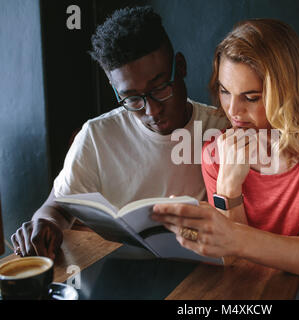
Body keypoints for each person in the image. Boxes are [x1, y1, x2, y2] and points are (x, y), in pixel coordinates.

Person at [151, 19, 299, 299]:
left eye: (251, 98)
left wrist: (236, 238)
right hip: (255, 289)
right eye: (225, 91)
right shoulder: (215, 155)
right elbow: (230, 259)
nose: (233, 110)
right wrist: (228, 188)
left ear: (286, 94)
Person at [11, 6, 228, 260]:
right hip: (124, 271)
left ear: (180, 67)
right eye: (132, 98)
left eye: (159, 88)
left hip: (199, 273)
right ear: (116, 91)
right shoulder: (97, 136)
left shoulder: (220, 127)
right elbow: (58, 206)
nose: (152, 109)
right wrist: (45, 223)